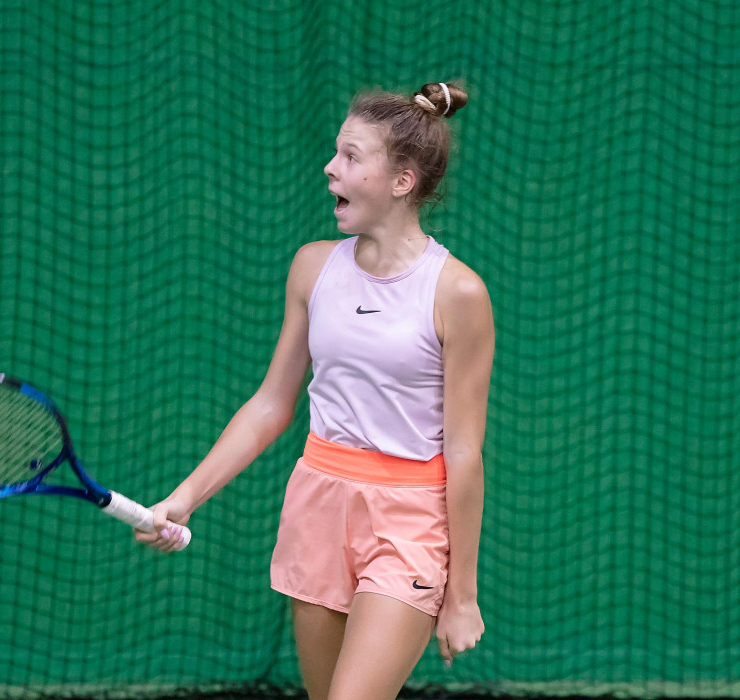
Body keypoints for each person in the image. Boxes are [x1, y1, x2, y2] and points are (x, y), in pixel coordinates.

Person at [136, 81, 494, 700]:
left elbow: (464, 453)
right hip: (318, 505)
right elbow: (271, 403)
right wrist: (185, 497)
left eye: (351, 157)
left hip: (409, 521)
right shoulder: (312, 267)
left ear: (402, 181)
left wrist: (462, 595)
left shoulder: (458, 293)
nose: (330, 167)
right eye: (335, 152)